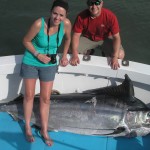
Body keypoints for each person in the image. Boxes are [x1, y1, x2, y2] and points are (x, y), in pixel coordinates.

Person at [20, 0, 71, 146]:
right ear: (50, 12)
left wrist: (65, 55)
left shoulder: (66, 24)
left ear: (66, 16)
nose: (57, 18)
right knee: (29, 96)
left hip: (49, 64)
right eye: (55, 13)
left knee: (46, 99)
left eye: (61, 15)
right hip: (32, 61)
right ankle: (28, 126)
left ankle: (44, 130)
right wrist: (38, 55)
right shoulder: (39, 24)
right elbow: (25, 41)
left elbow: (68, 39)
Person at [70, 0, 125, 70]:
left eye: (97, 3)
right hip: (88, 38)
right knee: (71, 50)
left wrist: (114, 56)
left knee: (120, 55)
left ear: (102, 3)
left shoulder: (111, 16)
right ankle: (88, 51)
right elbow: (76, 36)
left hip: (106, 38)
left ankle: (105, 53)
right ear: (87, 4)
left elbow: (116, 38)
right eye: (91, 3)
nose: (94, 6)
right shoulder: (81, 16)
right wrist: (75, 54)